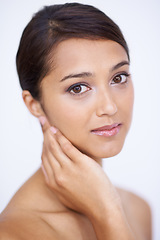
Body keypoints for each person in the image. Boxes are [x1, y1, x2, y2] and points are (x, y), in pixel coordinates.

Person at [0, 3, 152, 239]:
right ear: (34, 104)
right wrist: (106, 213)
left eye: (118, 77)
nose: (110, 106)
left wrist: (107, 211)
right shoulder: (12, 232)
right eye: (78, 87)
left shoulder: (138, 209)